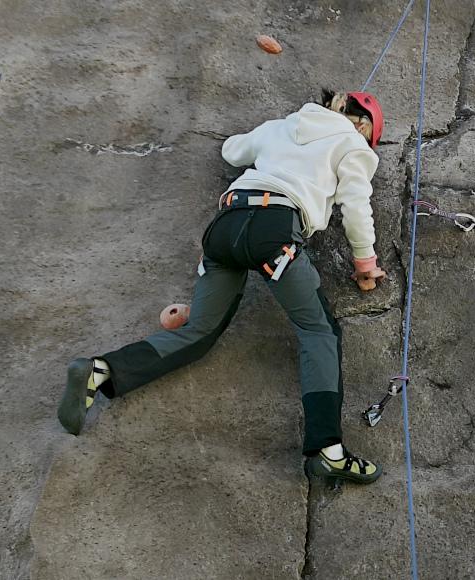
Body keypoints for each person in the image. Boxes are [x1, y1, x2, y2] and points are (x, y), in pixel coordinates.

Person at [59, 90, 392, 484]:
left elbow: (233, 152)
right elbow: (356, 204)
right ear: (361, 124)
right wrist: (365, 263)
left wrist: (278, 145)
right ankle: (328, 451)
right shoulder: (354, 144)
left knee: (198, 332)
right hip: (275, 230)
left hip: (225, 225)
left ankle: (100, 370)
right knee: (319, 331)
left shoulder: (284, 125)